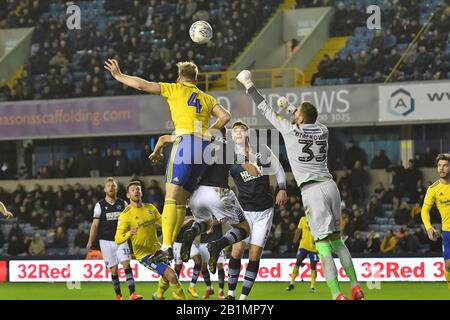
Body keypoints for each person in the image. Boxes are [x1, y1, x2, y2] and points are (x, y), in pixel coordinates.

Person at [236, 70, 364, 300]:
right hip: (330, 186)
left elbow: (266, 109)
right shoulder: (323, 130)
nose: (294, 118)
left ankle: (337, 295)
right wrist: (292, 107)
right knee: (338, 240)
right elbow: (308, 117)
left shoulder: (290, 130)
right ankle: (356, 286)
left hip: (312, 190)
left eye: (297, 116)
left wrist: (248, 84)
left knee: (323, 246)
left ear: (300, 119)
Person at [105, 59, 231, 260]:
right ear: (196, 79)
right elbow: (225, 117)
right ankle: (171, 244)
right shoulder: (207, 98)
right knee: (181, 201)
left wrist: (119, 76)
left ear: (180, 77)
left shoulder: (175, 89)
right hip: (205, 149)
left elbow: (142, 84)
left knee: (171, 198)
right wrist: (208, 131)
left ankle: (166, 247)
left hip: (185, 142)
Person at [149, 130, 255, 275]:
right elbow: (252, 170)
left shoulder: (198, 142)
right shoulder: (230, 146)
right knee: (245, 229)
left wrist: (156, 152)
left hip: (196, 195)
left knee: (207, 223)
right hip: (218, 192)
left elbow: (163, 138)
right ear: (225, 134)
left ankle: (192, 232)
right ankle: (217, 246)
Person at [227, 121, 287, 300]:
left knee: (254, 254)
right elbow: (220, 183)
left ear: (248, 133)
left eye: (240, 130)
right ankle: (230, 295)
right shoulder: (228, 157)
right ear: (231, 136)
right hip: (244, 210)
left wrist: (282, 188)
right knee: (236, 251)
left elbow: (279, 169)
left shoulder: (262, 150)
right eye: (234, 131)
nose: (237, 133)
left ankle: (243, 298)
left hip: (264, 210)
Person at [115, 181, 186, 300]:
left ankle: (157, 295)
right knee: (172, 275)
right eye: (133, 190)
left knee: (166, 277)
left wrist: (182, 223)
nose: (136, 191)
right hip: (144, 255)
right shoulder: (125, 215)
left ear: (141, 192)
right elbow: (117, 239)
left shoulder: (150, 208)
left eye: (138, 189)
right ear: (128, 195)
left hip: (158, 250)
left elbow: (164, 223)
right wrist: (129, 233)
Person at [87, 177, 142, 300]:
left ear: (117, 188)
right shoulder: (99, 205)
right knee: (114, 270)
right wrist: (90, 240)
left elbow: (131, 219)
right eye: (109, 186)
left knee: (126, 264)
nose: (111, 187)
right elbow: (95, 224)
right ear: (105, 189)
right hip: (105, 241)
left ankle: (133, 294)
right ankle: (118, 295)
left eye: (113, 185)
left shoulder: (123, 203)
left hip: (121, 239)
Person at [421, 153, 450, 288]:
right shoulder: (433, 189)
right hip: (447, 232)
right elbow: (424, 211)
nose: (441, 169)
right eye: (439, 166)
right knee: (448, 265)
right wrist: (428, 227)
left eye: (445, 165)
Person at [286, 215, 319, 293]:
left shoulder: (318, 219)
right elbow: (298, 231)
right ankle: (292, 283)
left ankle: (313, 286)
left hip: (314, 247)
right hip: (303, 246)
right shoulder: (303, 219)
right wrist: (295, 241)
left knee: (313, 266)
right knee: (298, 261)